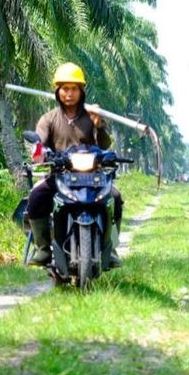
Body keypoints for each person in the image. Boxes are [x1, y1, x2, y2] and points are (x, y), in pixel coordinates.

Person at [26, 62, 124, 269]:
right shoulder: (48, 119)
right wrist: (40, 152)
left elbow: (104, 145)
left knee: (115, 197)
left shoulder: (92, 116)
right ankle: (43, 248)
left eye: (74, 89)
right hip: (60, 174)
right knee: (36, 197)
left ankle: (111, 247)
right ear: (58, 91)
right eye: (65, 89)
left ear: (81, 91)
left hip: (92, 175)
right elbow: (39, 144)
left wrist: (99, 125)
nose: (69, 94)